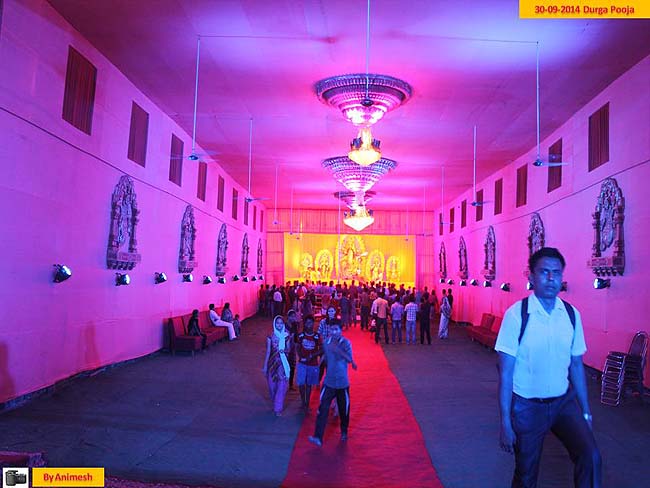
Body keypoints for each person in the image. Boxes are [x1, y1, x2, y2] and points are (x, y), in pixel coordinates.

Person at [495, 247, 601, 488]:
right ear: (531, 276)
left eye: (556, 272)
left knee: (590, 456)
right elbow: (506, 374)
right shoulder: (517, 315)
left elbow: (576, 366)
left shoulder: (571, 315)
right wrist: (505, 422)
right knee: (526, 474)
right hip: (528, 407)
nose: (551, 278)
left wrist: (586, 412)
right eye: (544, 272)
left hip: (564, 403)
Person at [309, 322, 357, 446]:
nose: (333, 332)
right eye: (331, 329)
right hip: (329, 382)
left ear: (341, 330)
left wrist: (337, 349)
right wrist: (318, 364)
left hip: (342, 383)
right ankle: (318, 436)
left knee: (343, 409)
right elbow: (325, 355)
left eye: (336, 329)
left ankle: (344, 431)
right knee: (322, 409)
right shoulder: (326, 342)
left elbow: (349, 359)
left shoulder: (346, 343)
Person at [262, 315, 293, 417]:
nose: (279, 325)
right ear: (274, 324)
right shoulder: (270, 336)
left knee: (281, 385)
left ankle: (278, 408)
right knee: (272, 386)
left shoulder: (286, 335)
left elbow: (289, 349)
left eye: (281, 323)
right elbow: (268, 351)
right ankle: (275, 401)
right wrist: (265, 366)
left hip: (282, 364)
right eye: (277, 323)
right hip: (272, 363)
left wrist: (284, 351)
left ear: (283, 324)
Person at [296, 315, 322, 410]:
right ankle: (303, 401)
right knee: (301, 384)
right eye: (306, 323)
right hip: (302, 363)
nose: (308, 325)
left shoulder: (317, 336)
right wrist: (301, 357)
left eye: (310, 322)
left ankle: (307, 403)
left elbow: (321, 349)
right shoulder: (301, 335)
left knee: (309, 384)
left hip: (312, 364)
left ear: (313, 323)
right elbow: (298, 347)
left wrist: (312, 355)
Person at [286, 310, 300, 390]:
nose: (293, 318)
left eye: (294, 316)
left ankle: (290, 384)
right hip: (285, 349)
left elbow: (296, 336)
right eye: (292, 316)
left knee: (292, 366)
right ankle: (284, 384)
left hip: (293, 348)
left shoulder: (295, 325)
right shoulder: (284, 326)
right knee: (285, 366)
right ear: (288, 317)